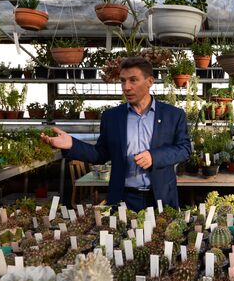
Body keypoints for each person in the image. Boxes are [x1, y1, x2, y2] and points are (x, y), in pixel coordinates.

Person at [41, 56, 191, 211]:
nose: (126, 87)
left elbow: (185, 149)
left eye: (133, 80)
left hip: (161, 197)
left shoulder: (173, 115)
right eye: (122, 81)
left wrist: (154, 156)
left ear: (150, 82)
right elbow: (100, 154)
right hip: (123, 199)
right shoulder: (111, 117)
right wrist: (72, 144)